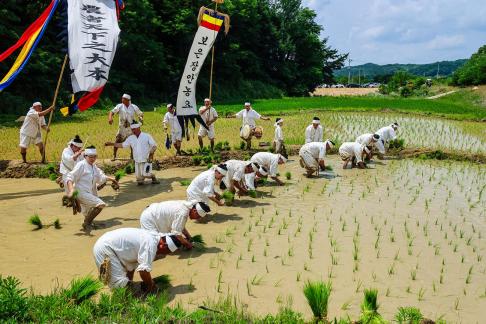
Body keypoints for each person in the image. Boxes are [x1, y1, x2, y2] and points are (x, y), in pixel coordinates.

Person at [93, 228, 181, 291]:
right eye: (164, 251)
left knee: (124, 284)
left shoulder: (153, 236)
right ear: (163, 245)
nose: (161, 254)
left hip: (108, 243)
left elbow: (133, 266)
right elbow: (143, 271)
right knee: (117, 285)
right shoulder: (151, 245)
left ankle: (127, 290)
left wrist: (129, 282)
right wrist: (151, 286)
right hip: (105, 248)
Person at [66, 146, 118, 231]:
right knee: (101, 204)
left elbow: (101, 176)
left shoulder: (93, 166)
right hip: (81, 192)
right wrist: (71, 190)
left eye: (94, 157)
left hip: (89, 193)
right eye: (90, 157)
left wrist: (112, 179)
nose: (92, 159)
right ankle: (87, 223)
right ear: (85, 156)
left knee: (88, 213)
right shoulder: (81, 165)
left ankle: (87, 221)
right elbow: (70, 177)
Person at [140, 200, 210, 249]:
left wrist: (189, 238)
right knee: (151, 247)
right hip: (149, 218)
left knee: (165, 242)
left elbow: (179, 227)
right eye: (197, 216)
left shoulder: (186, 205)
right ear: (194, 211)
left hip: (154, 213)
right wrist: (187, 244)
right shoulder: (183, 213)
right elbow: (176, 233)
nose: (196, 219)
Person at [108, 94, 143, 160]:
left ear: (128, 100)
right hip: (122, 127)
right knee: (117, 141)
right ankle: (114, 156)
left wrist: (141, 119)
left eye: (124, 98)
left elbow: (140, 114)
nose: (122, 99)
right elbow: (112, 112)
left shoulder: (133, 107)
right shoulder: (120, 106)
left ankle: (132, 157)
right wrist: (110, 118)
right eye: (122, 98)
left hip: (131, 128)